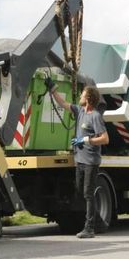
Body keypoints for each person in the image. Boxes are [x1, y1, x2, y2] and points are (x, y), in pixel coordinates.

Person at [47, 81, 109, 238]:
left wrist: (86, 140)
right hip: (80, 160)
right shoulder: (80, 111)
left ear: (88, 98)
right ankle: (99, 222)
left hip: (91, 162)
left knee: (88, 194)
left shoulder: (95, 116)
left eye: (82, 94)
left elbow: (105, 139)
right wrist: (53, 90)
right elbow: (62, 103)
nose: (80, 96)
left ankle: (89, 228)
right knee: (81, 192)